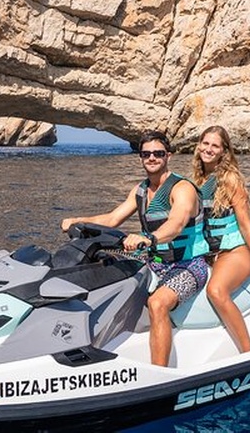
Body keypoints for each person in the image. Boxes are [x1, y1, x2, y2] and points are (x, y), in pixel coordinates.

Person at [61, 130, 209, 367]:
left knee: (157, 304)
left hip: (187, 265)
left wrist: (149, 238)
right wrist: (77, 221)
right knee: (103, 274)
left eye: (158, 153)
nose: (152, 158)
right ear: (140, 157)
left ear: (168, 156)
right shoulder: (140, 190)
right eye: (146, 154)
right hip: (153, 263)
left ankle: (160, 373)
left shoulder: (182, 188)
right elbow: (112, 219)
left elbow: (176, 223)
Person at [192, 125, 250, 353]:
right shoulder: (199, 179)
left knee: (216, 291)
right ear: (199, 145)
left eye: (215, 146)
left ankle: (248, 352)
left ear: (224, 151)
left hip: (233, 252)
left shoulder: (230, 180)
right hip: (209, 253)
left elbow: (246, 226)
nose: (209, 149)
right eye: (205, 143)